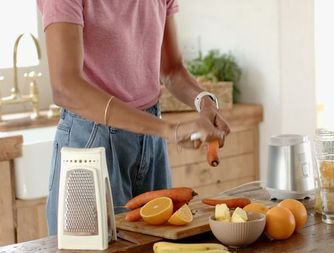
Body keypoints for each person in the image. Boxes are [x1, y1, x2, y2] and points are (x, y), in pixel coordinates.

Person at [37, 0, 230, 235]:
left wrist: (204, 101)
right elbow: (65, 86)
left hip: (151, 139)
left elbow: (171, 70)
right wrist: (168, 129)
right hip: (92, 139)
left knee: (157, 243)